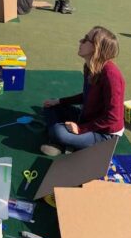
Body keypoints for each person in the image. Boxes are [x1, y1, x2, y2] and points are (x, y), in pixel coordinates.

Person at [41, 26, 125, 156]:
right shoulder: (89, 65)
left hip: (104, 134)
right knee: (49, 106)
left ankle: (60, 141)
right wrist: (59, 101)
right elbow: (87, 96)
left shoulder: (111, 75)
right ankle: (66, 142)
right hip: (87, 117)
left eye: (86, 39)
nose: (80, 41)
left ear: (96, 48)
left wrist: (80, 129)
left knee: (58, 132)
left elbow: (112, 117)